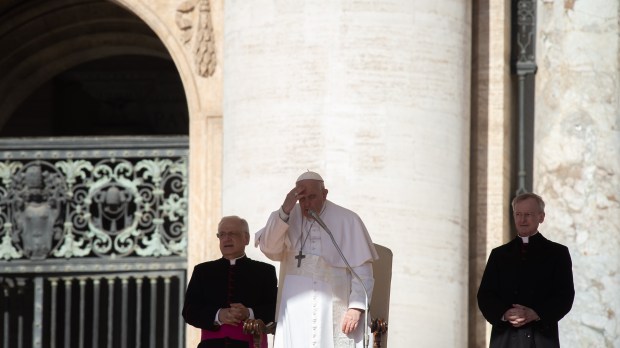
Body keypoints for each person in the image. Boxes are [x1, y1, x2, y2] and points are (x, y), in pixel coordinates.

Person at [255, 171, 379, 348]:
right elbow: (269, 248)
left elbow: (362, 271)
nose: (307, 204)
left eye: (312, 197)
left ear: (325, 193)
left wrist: (356, 307)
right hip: (295, 310)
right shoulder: (287, 216)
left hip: (335, 306)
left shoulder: (347, 219)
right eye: (302, 198)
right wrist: (285, 209)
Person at [477, 192, 575, 348]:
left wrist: (536, 313)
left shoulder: (557, 253)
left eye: (528, 214)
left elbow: (565, 296)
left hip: (542, 338)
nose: (522, 220)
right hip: (505, 339)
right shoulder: (499, 254)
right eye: (518, 214)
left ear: (541, 217)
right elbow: (485, 295)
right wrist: (505, 313)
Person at [183, 216, 278, 348]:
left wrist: (248, 312)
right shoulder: (203, 271)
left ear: (246, 238)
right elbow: (189, 311)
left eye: (232, 233)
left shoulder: (264, 271)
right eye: (222, 234)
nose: (226, 238)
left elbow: (274, 309)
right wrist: (218, 315)